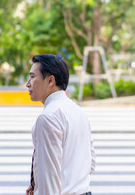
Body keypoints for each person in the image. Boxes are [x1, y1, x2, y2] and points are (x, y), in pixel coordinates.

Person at [25, 54, 95, 195]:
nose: (28, 83)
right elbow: (90, 162)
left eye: (33, 77)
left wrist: (40, 188)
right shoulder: (77, 111)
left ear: (50, 80)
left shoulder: (48, 117)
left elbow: (48, 180)